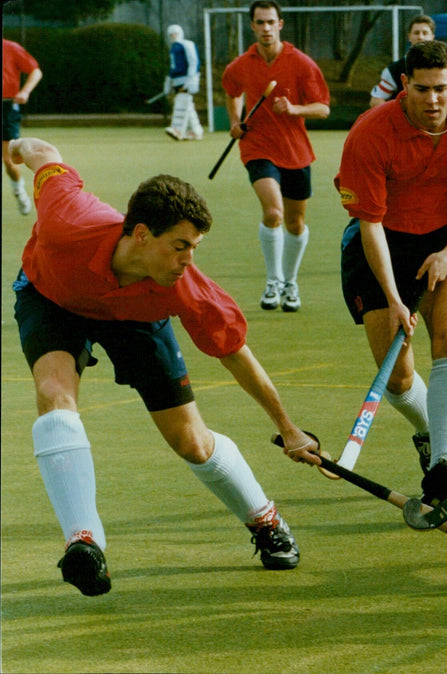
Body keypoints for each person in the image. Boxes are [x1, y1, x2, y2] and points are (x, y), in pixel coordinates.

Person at [9, 136, 323, 596]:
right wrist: (17, 144)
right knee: (54, 393)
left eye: (194, 246)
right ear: (141, 234)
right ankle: (85, 541)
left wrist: (288, 427)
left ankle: (265, 519)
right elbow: (43, 154)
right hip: (52, 298)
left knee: (191, 441)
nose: (188, 260)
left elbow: (236, 353)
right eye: (180, 246)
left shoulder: (181, 283)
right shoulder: (67, 218)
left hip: (139, 314)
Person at [336, 41, 447, 505]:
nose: (433, 100)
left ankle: (445, 461)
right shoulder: (370, 132)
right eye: (422, 89)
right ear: (404, 86)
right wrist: (395, 296)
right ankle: (429, 429)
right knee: (399, 379)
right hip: (380, 243)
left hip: (441, 240)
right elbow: (370, 223)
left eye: (442, 88)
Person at [222, 0, 330, 313]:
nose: (266, 28)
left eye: (271, 22)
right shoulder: (241, 64)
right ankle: (273, 281)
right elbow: (232, 91)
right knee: (273, 213)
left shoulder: (302, 63)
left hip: (296, 152)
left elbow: (323, 108)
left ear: (280, 24)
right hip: (258, 147)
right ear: (252, 26)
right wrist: (234, 121)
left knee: (295, 224)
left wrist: (295, 109)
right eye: (260, 23)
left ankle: (290, 283)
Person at [369, 14, 447, 107]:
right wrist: (398, 119)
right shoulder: (394, 70)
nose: (420, 37)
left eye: (425, 33)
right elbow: (376, 100)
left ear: (432, 37)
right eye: (416, 33)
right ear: (409, 37)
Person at [2, 38, 42, 215]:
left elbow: (35, 71)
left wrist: (25, 91)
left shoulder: (11, 48)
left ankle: (19, 192)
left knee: (8, 161)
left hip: (6, 107)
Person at [164, 24, 204, 141]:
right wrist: (169, 82)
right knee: (187, 105)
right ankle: (197, 131)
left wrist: (190, 79)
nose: (173, 36)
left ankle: (177, 129)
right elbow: (174, 66)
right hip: (177, 80)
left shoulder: (187, 45)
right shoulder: (173, 48)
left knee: (181, 103)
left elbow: (193, 62)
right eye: (171, 34)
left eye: (175, 33)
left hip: (186, 79)